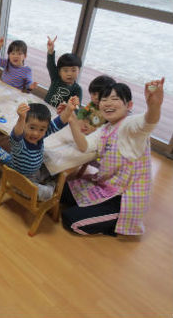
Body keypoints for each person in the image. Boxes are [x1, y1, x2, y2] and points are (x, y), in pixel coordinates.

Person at [62, 79, 164, 236]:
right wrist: (72, 120)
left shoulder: (130, 125)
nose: (108, 103)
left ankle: (116, 222)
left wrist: (154, 105)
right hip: (105, 187)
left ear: (129, 105)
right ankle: (95, 210)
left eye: (115, 99)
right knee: (62, 190)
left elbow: (148, 122)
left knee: (71, 220)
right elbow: (84, 146)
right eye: (104, 99)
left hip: (122, 199)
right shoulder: (105, 129)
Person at [9, 97, 78, 201]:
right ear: (24, 126)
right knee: (48, 193)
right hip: (20, 180)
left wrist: (69, 109)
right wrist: (21, 118)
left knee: (56, 167)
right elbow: (16, 135)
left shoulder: (41, 135)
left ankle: (48, 182)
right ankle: (51, 185)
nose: (36, 133)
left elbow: (57, 123)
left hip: (34, 172)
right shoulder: (20, 143)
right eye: (32, 128)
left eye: (42, 129)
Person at [44, 36, 83, 107]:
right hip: (45, 110)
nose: (69, 74)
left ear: (79, 71)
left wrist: (75, 105)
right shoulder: (56, 78)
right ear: (59, 72)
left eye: (73, 70)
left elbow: (77, 108)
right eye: (65, 70)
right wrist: (50, 51)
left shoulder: (77, 89)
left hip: (60, 116)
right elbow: (50, 65)